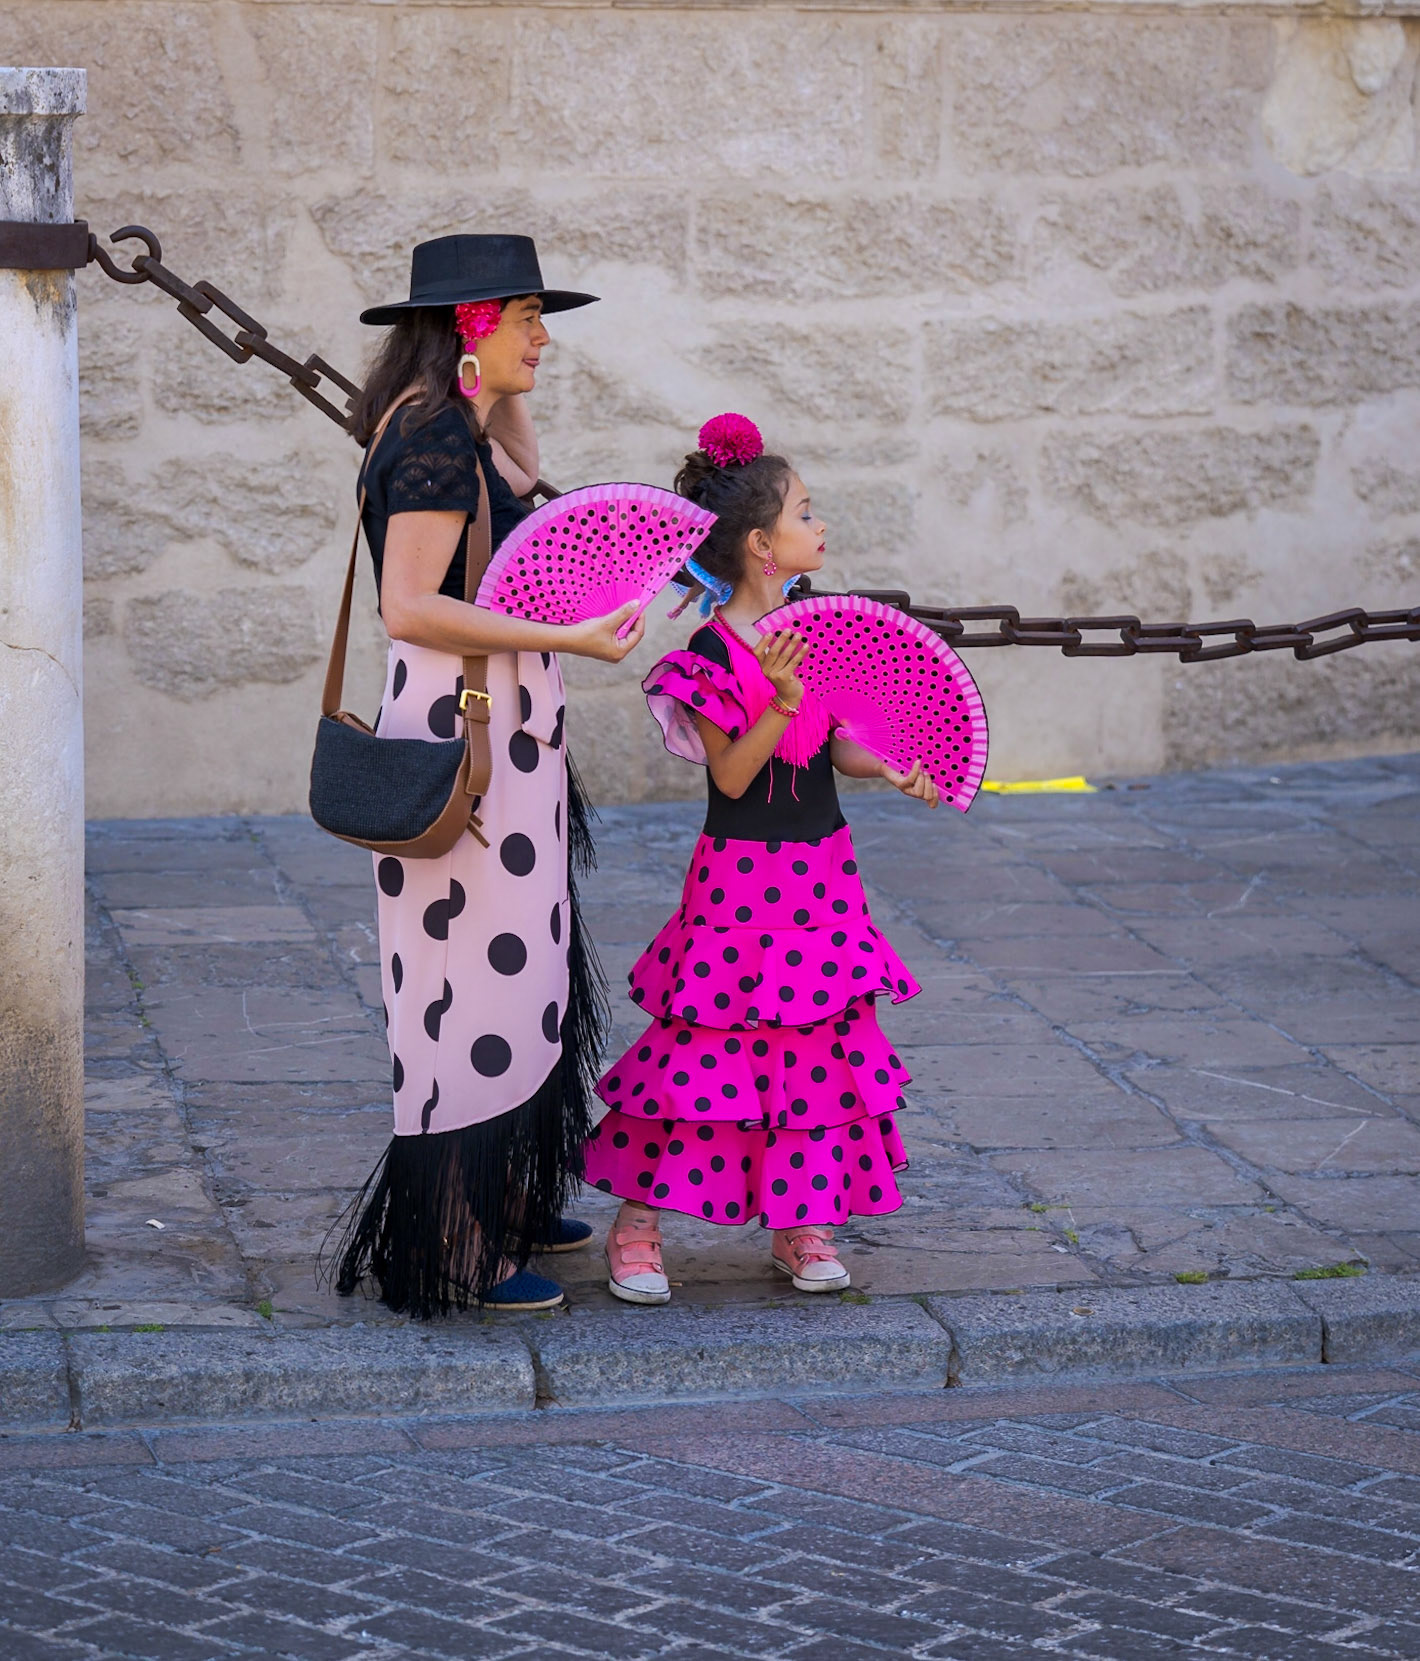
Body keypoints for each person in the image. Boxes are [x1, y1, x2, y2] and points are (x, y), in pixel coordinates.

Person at [329, 234, 645, 1316]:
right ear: (471, 326)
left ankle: (501, 1197)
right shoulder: (423, 435)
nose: (543, 338)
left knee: (520, 973)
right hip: (458, 739)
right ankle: (452, 1240)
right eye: (524, 319)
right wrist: (572, 634)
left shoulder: (454, 422)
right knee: (468, 992)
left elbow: (518, 476)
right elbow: (408, 604)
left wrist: (497, 386)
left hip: (503, 735)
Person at [583, 414, 939, 1304]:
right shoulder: (705, 656)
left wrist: (893, 764)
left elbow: (839, 744)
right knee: (702, 1051)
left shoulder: (823, 629)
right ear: (760, 545)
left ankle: (799, 1220)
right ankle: (635, 1226)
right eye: (806, 513)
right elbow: (736, 776)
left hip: (822, 877)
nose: (822, 527)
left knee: (815, 1046)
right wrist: (780, 698)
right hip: (739, 886)